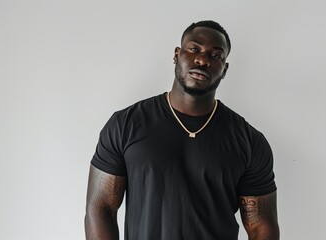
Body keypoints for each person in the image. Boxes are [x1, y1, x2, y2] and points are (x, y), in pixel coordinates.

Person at [85, 20, 279, 240]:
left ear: (224, 69)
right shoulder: (126, 124)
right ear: (177, 54)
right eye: (194, 49)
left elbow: (261, 226)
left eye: (215, 55)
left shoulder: (249, 141)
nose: (202, 59)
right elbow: (100, 209)